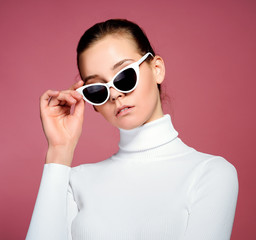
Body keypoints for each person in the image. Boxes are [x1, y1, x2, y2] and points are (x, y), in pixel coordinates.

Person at [26, 19, 238, 240]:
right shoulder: (74, 182)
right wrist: (59, 150)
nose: (116, 94)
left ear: (157, 69)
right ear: (93, 104)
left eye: (125, 76)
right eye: (98, 89)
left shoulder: (210, 174)